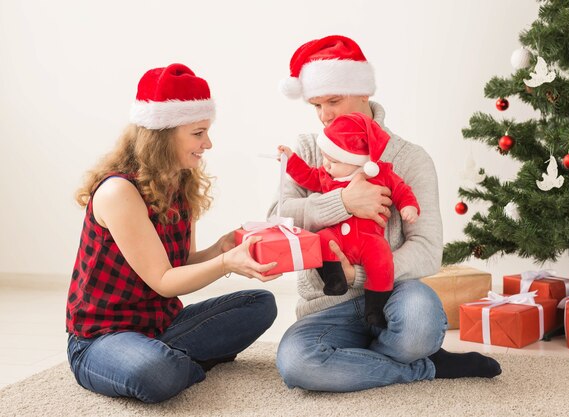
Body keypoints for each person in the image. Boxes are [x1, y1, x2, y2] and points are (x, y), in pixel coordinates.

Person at [271, 35, 502, 392]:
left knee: (420, 323)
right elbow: (278, 221)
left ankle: (380, 356)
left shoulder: (410, 158)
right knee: (297, 364)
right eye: (316, 105)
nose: (325, 114)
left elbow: (427, 249)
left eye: (334, 100)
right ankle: (422, 367)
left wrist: (360, 274)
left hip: (395, 297)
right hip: (328, 305)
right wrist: (344, 203)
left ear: (364, 92)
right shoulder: (306, 150)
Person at [66, 63, 280, 403]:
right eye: (198, 133)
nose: (208, 143)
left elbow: (182, 262)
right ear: (162, 134)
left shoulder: (181, 181)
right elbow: (163, 280)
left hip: (163, 325)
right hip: (101, 338)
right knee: (155, 373)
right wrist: (226, 262)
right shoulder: (119, 192)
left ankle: (171, 356)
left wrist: (219, 248)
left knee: (261, 304)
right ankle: (179, 361)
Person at [278, 111, 420, 328]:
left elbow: (401, 190)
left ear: (357, 161)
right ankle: (335, 280)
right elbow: (306, 175)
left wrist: (409, 206)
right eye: (325, 157)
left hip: (368, 238)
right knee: (321, 240)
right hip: (336, 237)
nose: (325, 164)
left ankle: (375, 308)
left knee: (382, 260)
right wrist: (290, 161)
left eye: (333, 160)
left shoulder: (380, 175)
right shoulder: (328, 176)